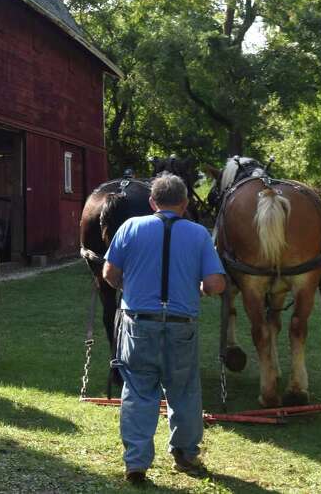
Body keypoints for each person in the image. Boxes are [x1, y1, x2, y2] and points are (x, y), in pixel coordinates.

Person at [102, 172, 226, 486]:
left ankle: (136, 462)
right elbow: (215, 284)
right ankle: (185, 455)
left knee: (139, 390)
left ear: (152, 202)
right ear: (184, 204)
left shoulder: (130, 227)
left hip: (139, 323)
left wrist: (128, 285)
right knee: (183, 390)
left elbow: (109, 273)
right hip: (181, 324)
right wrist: (199, 287)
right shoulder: (198, 234)